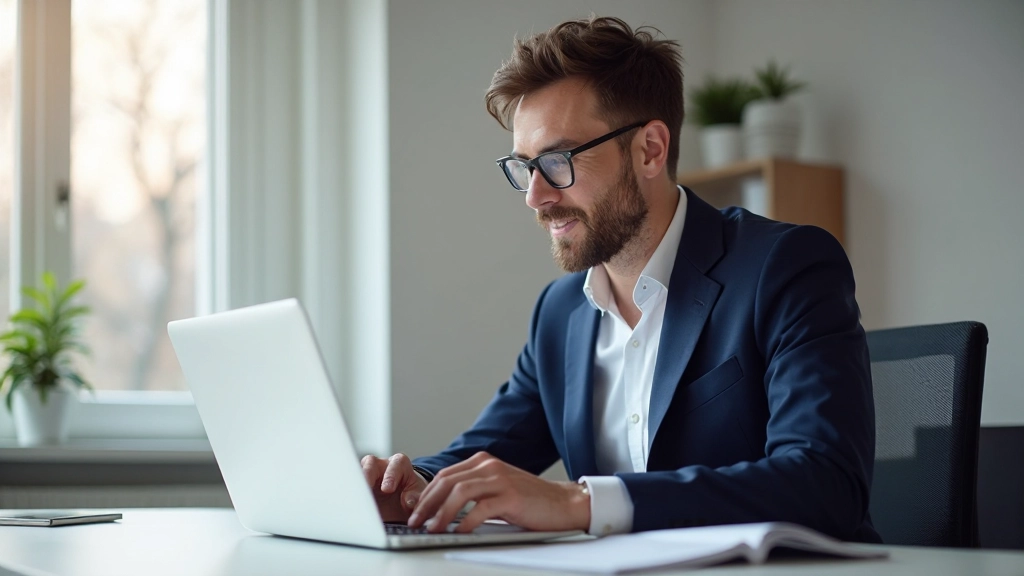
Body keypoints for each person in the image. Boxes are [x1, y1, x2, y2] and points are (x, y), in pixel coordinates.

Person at [361, 15, 881, 543]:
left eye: (558, 160)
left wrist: (580, 502)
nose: (535, 197)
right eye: (524, 167)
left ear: (650, 149)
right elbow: (487, 451)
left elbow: (826, 482)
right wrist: (410, 486)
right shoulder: (560, 312)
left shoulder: (785, 266)